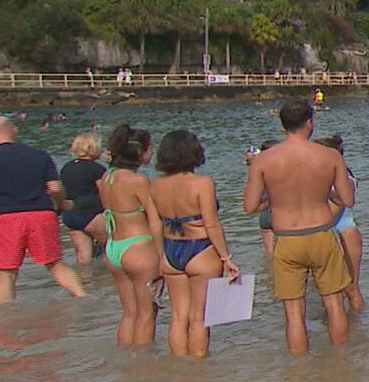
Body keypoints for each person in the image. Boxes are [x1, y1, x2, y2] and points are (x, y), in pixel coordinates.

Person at [243, 99, 356, 355]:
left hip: (286, 238)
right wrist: (326, 193)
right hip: (321, 234)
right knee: (334, 304)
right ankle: (342, 367)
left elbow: (249, 206)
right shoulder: (330, 155)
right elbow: (347, 199)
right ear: (310, 122)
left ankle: (298, 375)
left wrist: (275, 198)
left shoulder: (264, 160)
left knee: (294, 314)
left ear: (283, 125)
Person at [0, 115, 86, 303]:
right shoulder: (40, 155)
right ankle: (83, 297)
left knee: (6, 272)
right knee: (54, 263)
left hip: (7, 218)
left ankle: (5, 319)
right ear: (14, 131)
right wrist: (63, 204)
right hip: (42, 215)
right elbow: (55, 188)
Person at [150, 129, 239, 358]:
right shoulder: (203, 183)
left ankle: (181, 372)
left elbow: (156, 224)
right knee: (200, 317)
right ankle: (198, 374)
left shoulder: (155, 185)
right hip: (200, 248)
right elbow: (212, 225)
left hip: (171, 249)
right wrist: (226, 258)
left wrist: (160, 256)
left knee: (178, 316)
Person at [96, 124, 160, 348]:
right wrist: (163, 255)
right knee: (147, 313)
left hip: (114, 247)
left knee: (129, 314)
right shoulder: (138, 181)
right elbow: (155, 220)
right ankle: (144, 370)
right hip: (139, 247)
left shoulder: (107, 178)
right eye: (150, 148)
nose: (152, 152)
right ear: (140, 152)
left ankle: (126, 365)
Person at [316, 135, 366, 312]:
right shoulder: (324, 177)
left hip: (343, 234)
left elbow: (329, 215)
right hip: (338, 233)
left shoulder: (345, 178)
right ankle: (350, 328)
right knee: (332, 292)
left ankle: (357, 328)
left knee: (350, 289)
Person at [59, 133, 108, 263]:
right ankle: (108, 281)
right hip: (92, 215)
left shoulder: (66, 167)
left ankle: (86, 281)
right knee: (109, 249)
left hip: (70, 216)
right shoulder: (96, 169)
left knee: (83, 256)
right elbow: (105, 194)